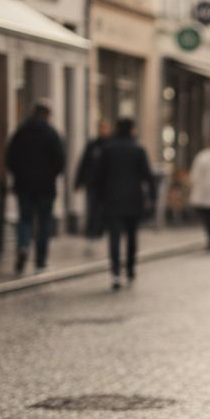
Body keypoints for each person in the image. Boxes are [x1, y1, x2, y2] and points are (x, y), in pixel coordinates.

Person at [92, 117, 155, 290]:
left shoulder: (107, 149)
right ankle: (130, 267)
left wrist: (98, 199)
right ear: (131, 129)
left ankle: (115, 273)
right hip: (133, 200)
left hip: (112, 200)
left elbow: (98, 176)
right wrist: (152, 197)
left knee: (114, 236)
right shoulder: (138, 149)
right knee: (132, 235)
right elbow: (147, 175)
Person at [5, 99, 65, 274]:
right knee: (44, 222)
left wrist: (19, 174)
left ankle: (23, 246)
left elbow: (10, 158)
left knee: (25, 219)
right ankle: (40, 260)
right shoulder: (52, 133)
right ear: (47, 115)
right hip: (46, 187)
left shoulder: (21, 132)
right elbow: (60, 161)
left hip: (24, 186)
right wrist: (50, 175)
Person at [75, 119, 114, 254]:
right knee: (92, 209)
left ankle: (100, 232)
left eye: (105, 128)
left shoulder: (112, 145)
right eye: (101, 128)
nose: (103, 130)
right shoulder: (93, 145)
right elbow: (84, 163)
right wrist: (78, 182)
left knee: (103, 210)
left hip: (108, 185)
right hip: (93, 184)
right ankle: (91, 233)